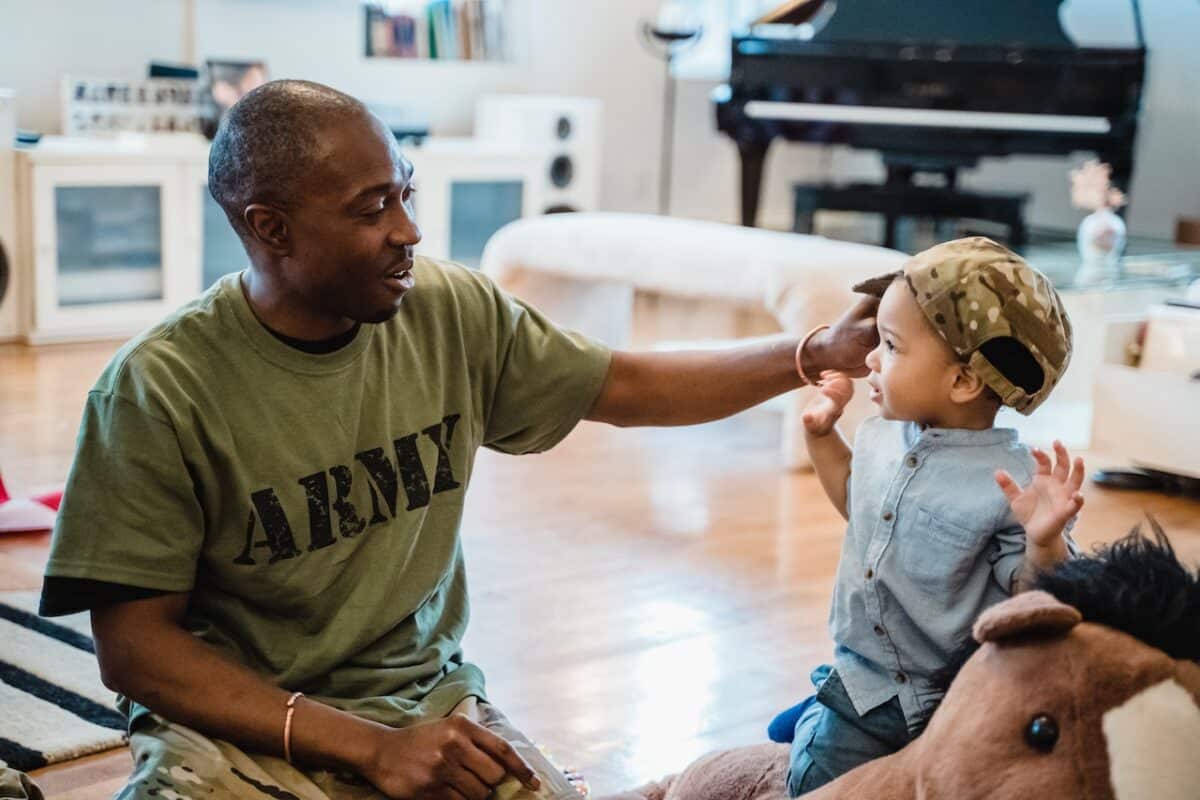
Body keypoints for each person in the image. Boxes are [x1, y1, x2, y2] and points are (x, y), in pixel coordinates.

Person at [37, 80, 880, 800]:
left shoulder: (448, 311)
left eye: (404, 192)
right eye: (373, 209)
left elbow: (625, 385)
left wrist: (815, 352)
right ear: (271, 229)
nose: (408, 229)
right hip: (237, 728)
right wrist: (364, 749)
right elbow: (136, 652)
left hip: (422, 704)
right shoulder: (159, 388)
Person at [767, 237, 1085, 796]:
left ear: (963, 381)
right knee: (815, 776)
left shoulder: (1011, 480)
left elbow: (1033, 599)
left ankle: (823, 716)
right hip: (866, 675)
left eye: (889, 346)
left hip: (947, 695)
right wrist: (822, 439)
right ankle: (827, 707)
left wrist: (1044, 539)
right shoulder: (881, 434)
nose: (868, 358)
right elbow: (856, 505)